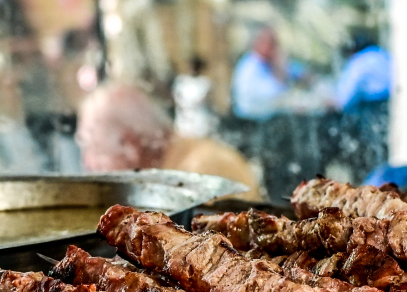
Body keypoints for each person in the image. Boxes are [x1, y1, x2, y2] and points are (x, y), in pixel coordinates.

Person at [76, 82, 260, 200]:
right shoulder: (162, 175)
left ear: (129, 145)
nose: (88, 163)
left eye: (95, 150)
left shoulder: (201, 173)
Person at [231, 27, 289, 120]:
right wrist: (280, 66)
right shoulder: (250, 67)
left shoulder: (264, 63)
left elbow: (297, 72)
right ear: (260, 43)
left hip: (264, 118)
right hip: (251, 121)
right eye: (272, 44)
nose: (275, 48)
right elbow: (275, 93)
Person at [336, 32, 391, 113]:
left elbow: (344, 99)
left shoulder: (359, 61)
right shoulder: (385, 55)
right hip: (394, 105)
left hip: (374, 109)